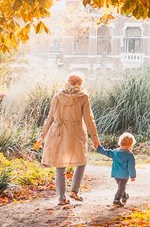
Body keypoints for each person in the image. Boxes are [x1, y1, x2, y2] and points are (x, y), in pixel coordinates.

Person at [38, 73, 99, 206]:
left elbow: (50, 118)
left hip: (58, 133)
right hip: (76, 132)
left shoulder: (57, 96)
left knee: (60, 165)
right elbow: (89, 119)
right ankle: (74, 191)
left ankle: (61, 198)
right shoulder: (83, 97)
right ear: (80, 84)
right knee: (81, 161)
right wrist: (95, 138)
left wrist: (42, 136)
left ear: (67, 82)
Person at [94, 132, 137, 207]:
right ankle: (116, 199)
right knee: (122, 186)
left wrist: (99, 148)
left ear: (120, 142)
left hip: (115, 174)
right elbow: (131, 166)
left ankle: (124, 196)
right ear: (131, 144)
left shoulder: (115, 152)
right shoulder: (130, 155)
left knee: (121, 186)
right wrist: (132, 176)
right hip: (124, 175)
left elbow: (106, 152)